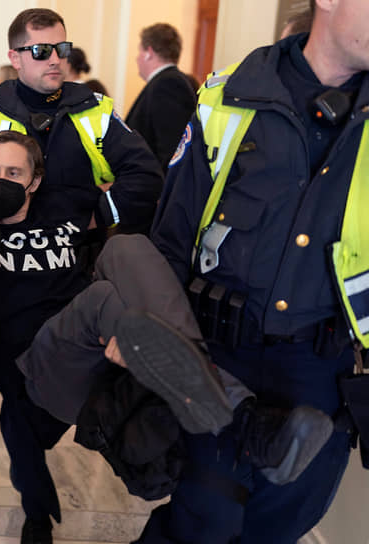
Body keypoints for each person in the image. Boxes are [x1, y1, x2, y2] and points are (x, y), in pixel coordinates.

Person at [0, 130, 334, 544]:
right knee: (103, 297)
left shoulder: (65, 206)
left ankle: (222, 401)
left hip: (97, 353)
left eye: (14, 172)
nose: (2, 180)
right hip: (36, 368)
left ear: (35, 181)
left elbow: (142, 177)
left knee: (127, 246)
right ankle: (240, 415)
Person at [135, 0, 369, 541]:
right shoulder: (226, 97)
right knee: (201, 521)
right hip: (219, 362)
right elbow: (171, 237)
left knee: (278, 528)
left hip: (322, 374)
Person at [0, 8, 163, 246]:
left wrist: (96, 216)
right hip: (4, 257)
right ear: (15, 58)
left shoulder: (94, 109)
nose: (55, 60)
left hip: (78, 259)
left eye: (62, 50)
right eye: (41, 51)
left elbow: (147, 177)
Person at [125, 23, 197, 174]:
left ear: (148, 52)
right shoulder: (163, 82)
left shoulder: (168, 84)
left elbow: (172, 149)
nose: (137, 59)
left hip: (154, 191)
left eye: (139, 52)